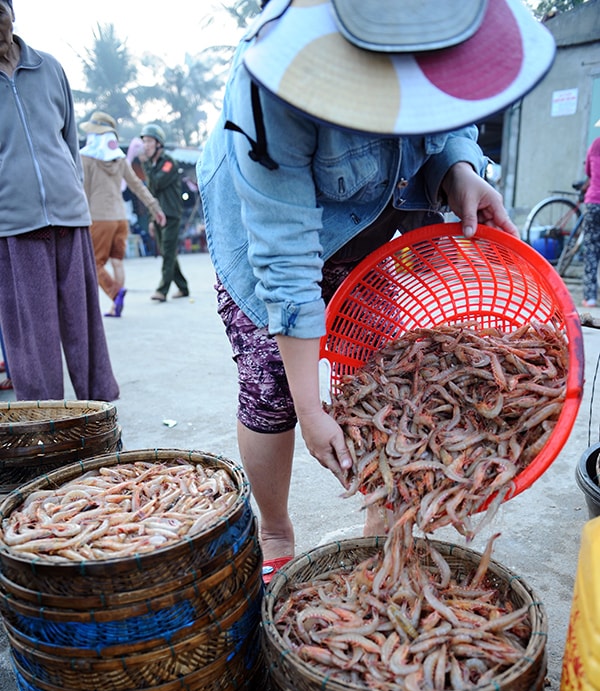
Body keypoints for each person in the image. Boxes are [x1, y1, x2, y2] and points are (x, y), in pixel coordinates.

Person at [198, 0, 555, 579]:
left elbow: (449, 120)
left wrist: (458, 168)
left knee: (385, 375)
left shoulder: (438, 36)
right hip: (266, 232)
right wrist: (312, 409)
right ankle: (275, 530)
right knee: (272, 387)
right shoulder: (272, 81)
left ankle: (383, 525)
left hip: (368, 230)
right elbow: (285, 260)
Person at [0, 0, 119, 402]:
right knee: (34, 335)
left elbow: (69, 140)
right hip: (14, 225)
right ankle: (44, 425)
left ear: (12, 13)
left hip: (69, 215)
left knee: (83, 323)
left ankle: (98, 411)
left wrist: (70, 191)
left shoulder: (48, 68)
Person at [80, 111, 167, 317]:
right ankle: (115, 306)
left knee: (94, 263)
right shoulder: (120, 158)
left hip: (100, 219)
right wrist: (155, 208)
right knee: (116, 261)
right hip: (121, 219)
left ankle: (115, 293)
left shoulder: (86, 157)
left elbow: (83, 190)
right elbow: (137, 185)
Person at [139, 124, 190, 302]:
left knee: (168, 251)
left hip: (171, 214)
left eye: (149, 141)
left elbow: (156, 184)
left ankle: (162, 290)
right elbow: (152, 193)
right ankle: (183, 287)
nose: (145, 145)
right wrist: (152, 219)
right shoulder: (152, 165)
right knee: (167, 251)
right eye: (144, 141)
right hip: (158, 213)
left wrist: (145, 165)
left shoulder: (169, 163)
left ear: (159, 143)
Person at [581, 129, 600, 308]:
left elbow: (588, 171)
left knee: (591, 250)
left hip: (594, 202)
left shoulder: (595, 144)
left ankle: (590, 297)